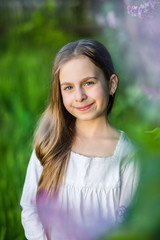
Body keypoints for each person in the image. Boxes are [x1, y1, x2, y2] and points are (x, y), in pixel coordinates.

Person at [20, 39, 139, 240]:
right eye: (68, 87)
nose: (79, 96)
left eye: (88, 83)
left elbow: (127, 228)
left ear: (111, 84)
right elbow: (30, 207)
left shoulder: (127, 156)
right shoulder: (51, 143)